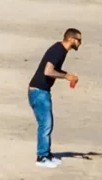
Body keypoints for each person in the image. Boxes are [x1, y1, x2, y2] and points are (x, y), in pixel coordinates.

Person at [29, 29, 84, 168]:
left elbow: (52, 70)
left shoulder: (60, 50)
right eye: (79, 40)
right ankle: (41, 157)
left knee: (47, 123)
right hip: (39, 92)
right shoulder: (58, 50)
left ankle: (46, 154)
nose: (80, 44)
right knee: (45, 124)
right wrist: (66, 76)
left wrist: (67, 75)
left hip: (41, 91)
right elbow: (48, 71)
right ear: (71, 39)